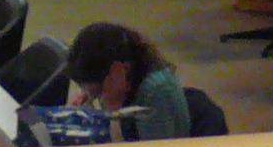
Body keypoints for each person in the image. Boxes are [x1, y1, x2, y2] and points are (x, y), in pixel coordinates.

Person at [62, 22, 192, 140]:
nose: (85, 90)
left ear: (118, 69)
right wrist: (89, 101)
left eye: (93, 87)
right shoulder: (119, 78)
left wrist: (113, 111)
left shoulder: (156, 91)